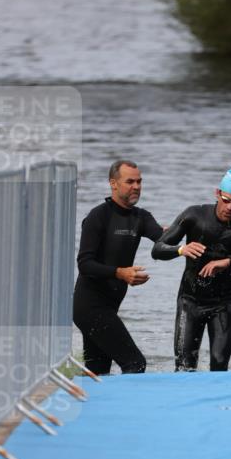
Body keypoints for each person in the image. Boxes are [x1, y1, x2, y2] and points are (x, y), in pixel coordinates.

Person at [152, 165, 231, 371]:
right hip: (189, 301)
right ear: (217, 193)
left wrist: (230, 262)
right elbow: (157, 249)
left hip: (224, 303)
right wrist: (181, 249)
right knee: (184, 367)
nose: (229, 208)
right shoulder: (194, 215)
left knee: (219, 364)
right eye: (226, 200)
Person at [73, 159, 163, 375]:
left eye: (139, 182)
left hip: (109, 306)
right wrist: (120, 273)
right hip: (89, 307)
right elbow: (85, 264)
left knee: (98, 370)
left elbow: (163, 239)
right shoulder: (98, 216)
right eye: (130, 181)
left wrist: (188, 237)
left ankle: (97, 407)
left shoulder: (141, 217)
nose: (137, 187)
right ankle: (130, 408)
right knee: (135, 363)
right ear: (113, 184)